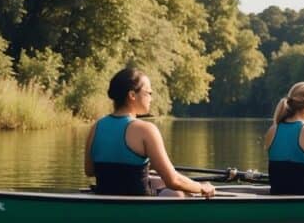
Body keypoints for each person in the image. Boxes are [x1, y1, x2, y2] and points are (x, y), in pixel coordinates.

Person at [84, 68, 214, 198]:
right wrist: (201, 187)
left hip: (105, 201)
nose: (151, 98)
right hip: (138, 206)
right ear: (132, 95)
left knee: (158, 180)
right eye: (148, 93)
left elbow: (90, 171)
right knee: (178, 193)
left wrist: (140, 167)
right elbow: (173, 180)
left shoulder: (96, 126)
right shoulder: (146, 130)